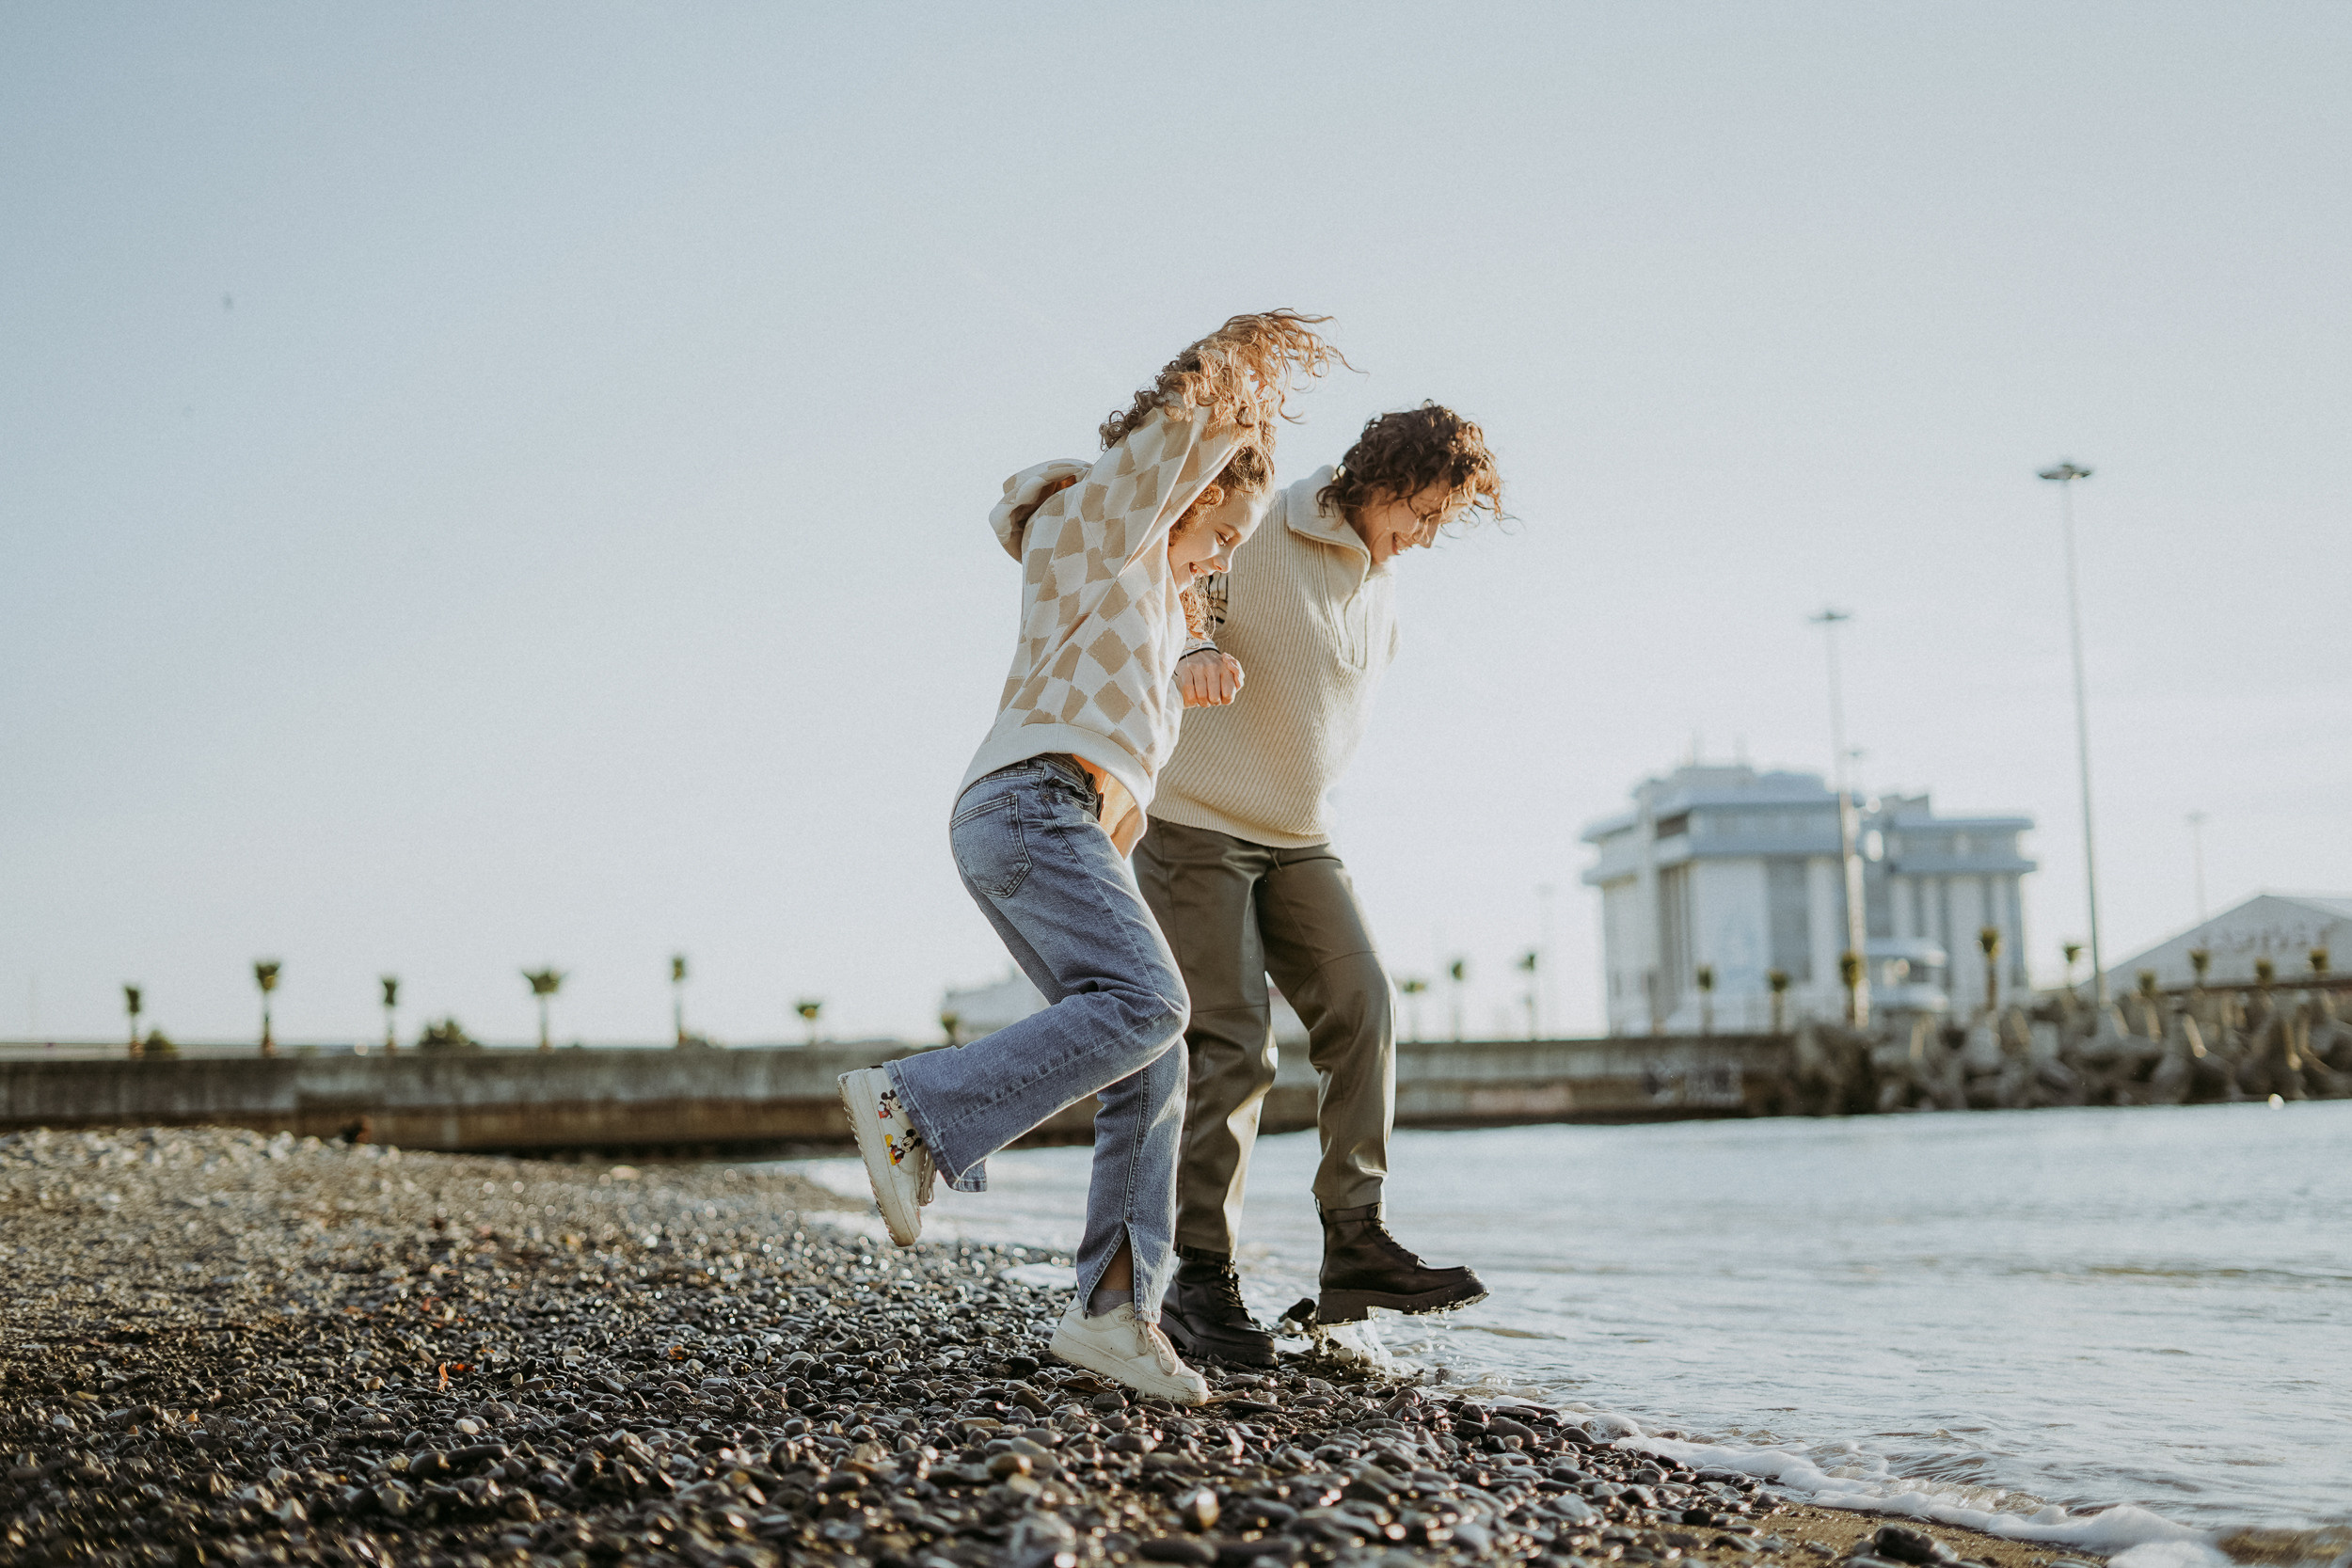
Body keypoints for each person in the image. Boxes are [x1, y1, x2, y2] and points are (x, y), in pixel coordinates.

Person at [837, 311, 1340, 1403]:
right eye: (1224, 532)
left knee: (1151, 1053)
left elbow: (1146, 660)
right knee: (1155, 1003)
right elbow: (1174, 447)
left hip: (1048, 820)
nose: (1220, 558)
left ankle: (1115, 1310)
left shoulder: (1143, 592)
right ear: (1193, 489)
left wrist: (1197, 649)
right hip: (1030, 805)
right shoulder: (1096, 519)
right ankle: (918, 1108)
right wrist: (1245, 376)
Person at [1134, 403, 1508, 1367]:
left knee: (1364, 1003)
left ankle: (1355, 1241)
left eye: (1441, 524)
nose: (1426, 536)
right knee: (1234, 1045)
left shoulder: (1378, 586)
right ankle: (1200, 1281)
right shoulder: (1266, 522)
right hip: (1196, 824)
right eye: (1424, 511)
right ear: (1387, 475)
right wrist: (1190, 647)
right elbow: (1182, 576)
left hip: (1299, 839)